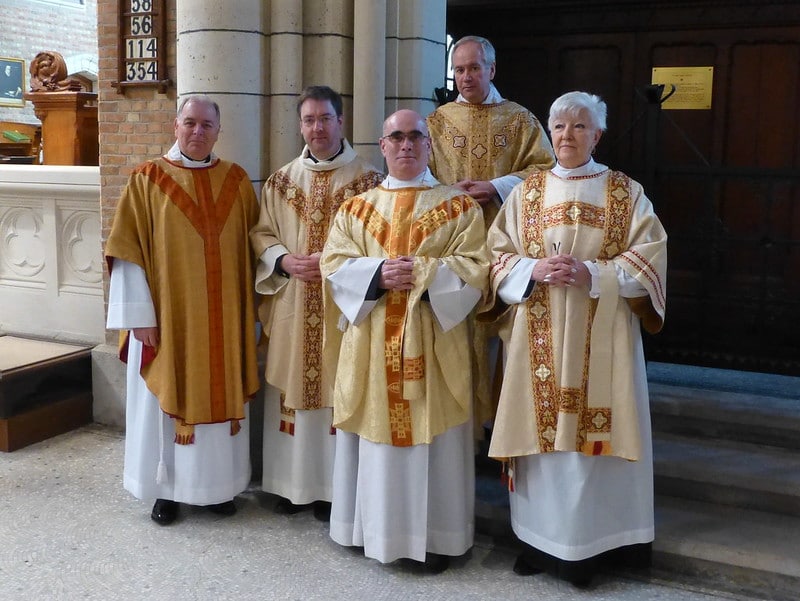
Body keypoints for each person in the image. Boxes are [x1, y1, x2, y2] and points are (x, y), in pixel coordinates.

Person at [484, 91, 667, 586]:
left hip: (603, 330)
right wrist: (531, 267)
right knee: (542, 443)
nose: (567, 136)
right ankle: (537, 542)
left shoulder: (626, 192)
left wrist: (593, 274)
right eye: (559, 126)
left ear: (598, 135)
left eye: (579, 127)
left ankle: (595, 548)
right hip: (537, 334)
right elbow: (495, 255)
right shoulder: (528, 193)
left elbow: (650, 257)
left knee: (592, 446)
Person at [320, 109, 490, 573]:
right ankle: (369, 530)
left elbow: (477, 269)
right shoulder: (356, 208)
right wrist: (376, 273)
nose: (407, 145)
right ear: (383, 144)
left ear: (429, 146)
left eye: (416, 137)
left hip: (432, 344)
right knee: (377, 436)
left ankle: (436, 537)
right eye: (397, 136)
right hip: (374, 344)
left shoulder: (459, 206)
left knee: (434, 439)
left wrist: (425, 272)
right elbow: (332, 265)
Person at [105, 95, 260, 526]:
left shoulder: (236, 181)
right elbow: (127, 252)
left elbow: (255, 249)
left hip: (224, 321)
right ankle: (166, 490)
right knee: (164, 400)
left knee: (220, 387)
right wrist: (140, 317)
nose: (197, 132)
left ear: (218, 131)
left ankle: (218, 488)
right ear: (175, 126)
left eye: (206, 125)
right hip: (166, 323)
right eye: (189, 123)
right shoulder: (146, 180)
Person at [249, 85, 383, 521]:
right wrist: (283, 259)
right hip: (295, 303)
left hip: (343, 311)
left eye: (325, 118)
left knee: (335, 387)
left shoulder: (368, 182)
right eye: (308, 120)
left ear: (341, 122)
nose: (317, 128)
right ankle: (289, 485)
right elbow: (261, 234)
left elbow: (383, 241)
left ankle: (331, 488)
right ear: (299, 125)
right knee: (293, 387)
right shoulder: (281, 180)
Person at [426, 35, 556, 433]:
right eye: (459, 70)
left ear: (492, 70)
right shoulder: (436, 122)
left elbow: (545, 172)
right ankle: (461, 429)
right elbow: (420, 175)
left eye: (474, 68)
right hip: (453, 244)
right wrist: (450, 193)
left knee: (499, 332)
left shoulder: (520, 120)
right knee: (456, 329)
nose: (466, 77)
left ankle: (497, 429)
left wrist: (495, 186)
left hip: (505, 245)